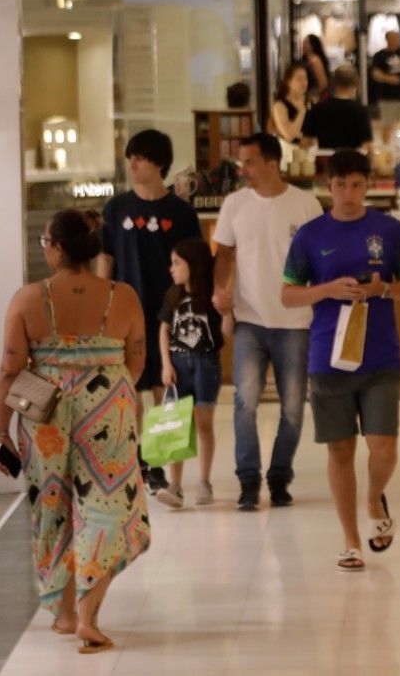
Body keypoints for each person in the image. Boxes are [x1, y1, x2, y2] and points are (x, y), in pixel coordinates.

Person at [0, 209, 150, 655]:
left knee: (53, 505)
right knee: (107, 505)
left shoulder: (28, 299)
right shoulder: (123, 296)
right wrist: (108, 391)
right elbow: (135, 360)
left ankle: (62, 613)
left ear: (57, 248)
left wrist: (0, 432)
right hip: (110, 407)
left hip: (46, 415)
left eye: (45, 241)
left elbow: (9, 368)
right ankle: (88, 616)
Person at [281, 150, 400, 572]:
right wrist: (327, 290)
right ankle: (350, 540)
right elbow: (288, 295)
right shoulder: (309, 235)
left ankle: (374, 496)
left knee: (384, 446)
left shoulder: (388, 230)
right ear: (329, 186)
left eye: (357, 185)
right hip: (328, 355)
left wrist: (382, 291)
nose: (348, 193)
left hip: (380, 353)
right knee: (339, 449)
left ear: (367, 185)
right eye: (340, 185)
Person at [212, 133, 323, 510]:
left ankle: (279, 476)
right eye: (241, 163)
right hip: (249, 320)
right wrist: (219, 291)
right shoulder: (235, 204)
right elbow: (224, 254)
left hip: (295, 321)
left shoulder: (305, 205)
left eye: (249, 163)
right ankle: (247, 481)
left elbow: (320, 260)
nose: (243, 170)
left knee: (293, 405)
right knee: (245, 402)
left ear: (273, 164)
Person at [98, 128, 201, 494]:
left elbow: (194, 260)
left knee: (164, 388)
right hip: (126, 310)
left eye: (138, 157)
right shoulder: (116, 208)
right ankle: (136, 457)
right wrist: (102, 299)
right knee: (129, 388)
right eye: (130, 157)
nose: (132, 163)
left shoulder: (180, 212)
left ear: (157, 163)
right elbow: (106, 257)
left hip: (168, 312)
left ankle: (160, 463)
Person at [156, 238, 223, 509]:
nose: (172, 269)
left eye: (177, 263)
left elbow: (224, 330)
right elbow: (164, 329)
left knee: (204, 423)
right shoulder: (173, 296)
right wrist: (166, 364)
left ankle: (204, 481)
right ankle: (175, 485)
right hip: (178, 364)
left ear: (193, 265)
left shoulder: (211, 296)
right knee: (176, 425)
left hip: (207, 364)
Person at [303, 65, 373, 151]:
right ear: (356, 83)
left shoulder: (318, 108)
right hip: (353, 161)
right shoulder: (361, 111)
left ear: (333, 83)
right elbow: (368, 146)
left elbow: (305, 143)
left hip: (325, 161)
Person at [371, 30, 400, 146]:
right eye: (394, 38)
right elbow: (375, 74)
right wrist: (388, 78)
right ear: (388, 39)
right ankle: (386, 149)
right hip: (387, 97)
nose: (397, 40)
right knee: (387, 125)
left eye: (398, 38)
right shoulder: (379, 55)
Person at [269, 63, 309, 168]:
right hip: (289, 158)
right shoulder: (280, 105)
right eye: (299, 79)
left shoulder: (309, 102)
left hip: (307, 157)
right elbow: (289, 135)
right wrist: (301, 111)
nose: (304, 82)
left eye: (305, 78)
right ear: (288, 82)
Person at [301, 34, 330, 102]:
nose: (304, 46)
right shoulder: (307, 59)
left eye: (307, 43)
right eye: (303, 43)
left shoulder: (315, 60)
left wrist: (310, 95)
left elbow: (323, 84)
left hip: (315, 97)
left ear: (313, 45)